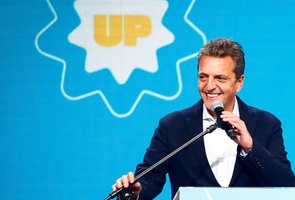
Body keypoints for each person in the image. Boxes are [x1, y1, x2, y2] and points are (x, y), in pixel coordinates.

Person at [111, 38, 295, 199]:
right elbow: (149, 179)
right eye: (203, 77)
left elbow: (286, 185)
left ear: (239, 82)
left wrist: (251, 147)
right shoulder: (172, 126)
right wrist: (136, 191)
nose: (209, 86)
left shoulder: (266, 124)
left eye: (220, 78)